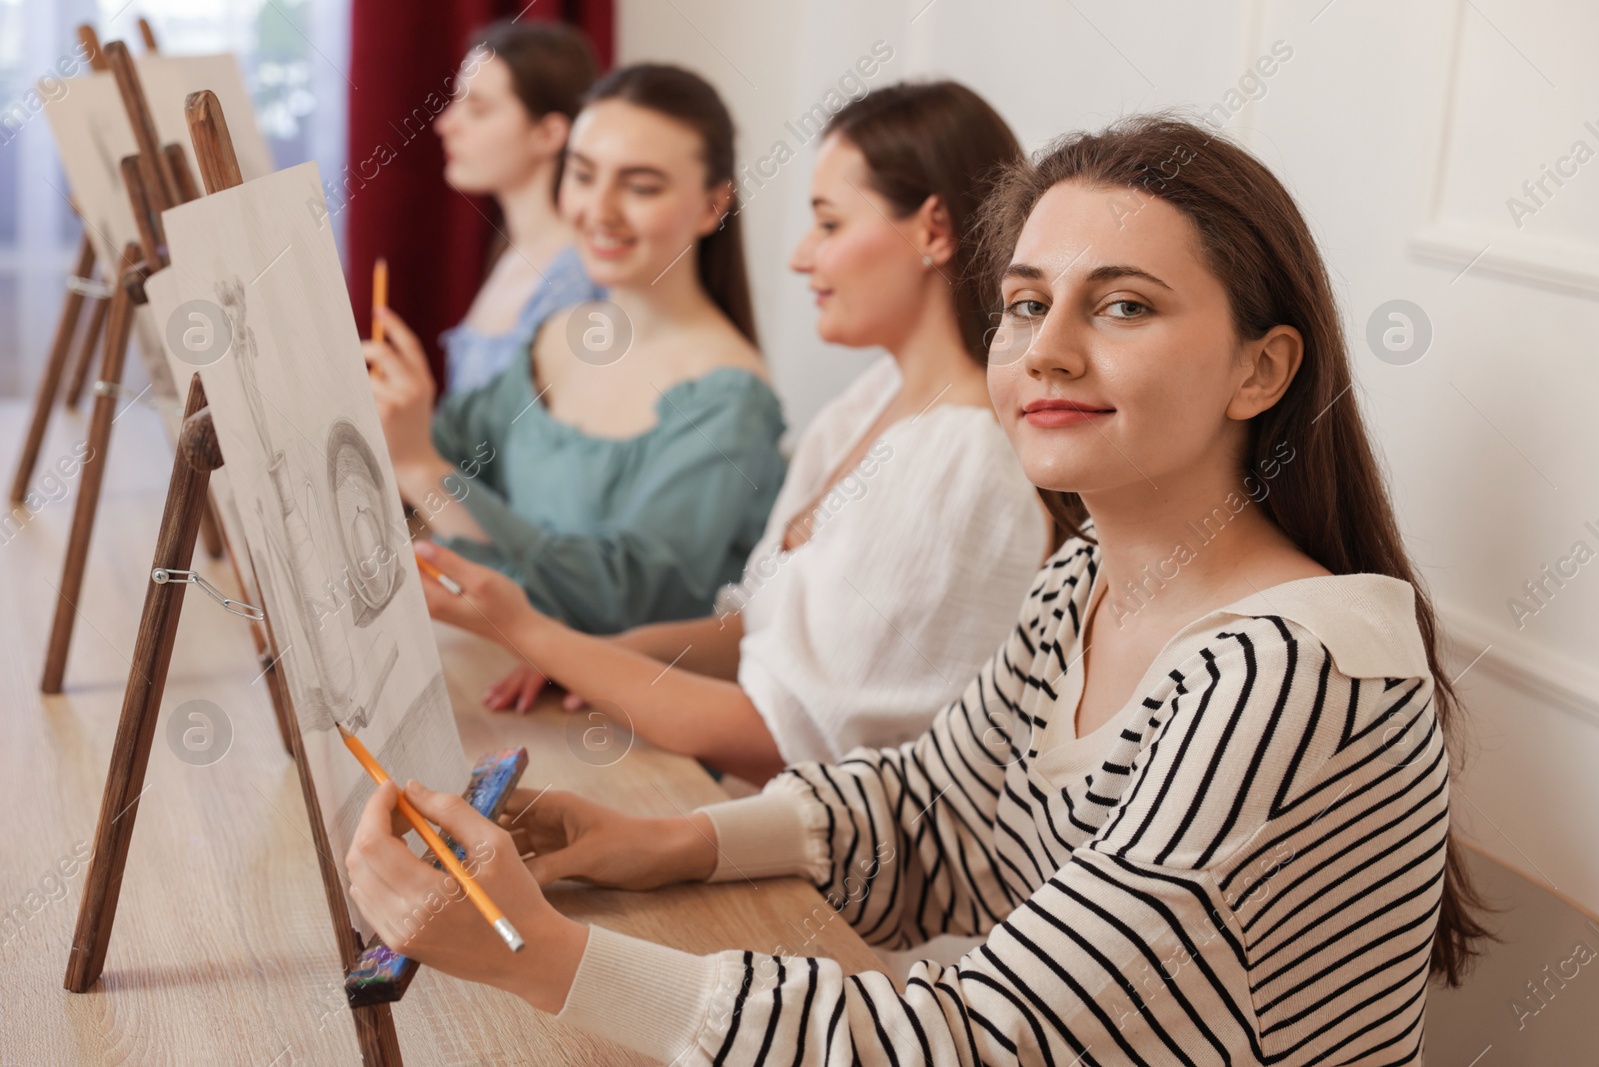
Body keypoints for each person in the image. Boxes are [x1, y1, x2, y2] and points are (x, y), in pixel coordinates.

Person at [346, 113, 1490, 1065]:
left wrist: (530, 951)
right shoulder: (1089, 575)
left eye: (1123, 304)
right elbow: (929, 808)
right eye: (1028, 303)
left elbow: (988, 1043)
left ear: (1262, 368)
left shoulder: (1285, 674)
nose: (1044, 348)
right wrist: (654, 838)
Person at [462, 81, 1053, 786]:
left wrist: (536, 632)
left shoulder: (965, 460)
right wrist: (599, 657)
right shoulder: (867, 403)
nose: (802, 256)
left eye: (829, 225)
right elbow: (756, 628)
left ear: (933, 230)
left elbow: (787, 739)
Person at [366, 64, 787, 634]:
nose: (600, 210)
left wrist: (418, 466)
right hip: (500, 670)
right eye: (583, 175)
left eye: (641, 187)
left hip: (607, 716)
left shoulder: (729, 396)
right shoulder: (556, 335)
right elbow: (447, 455)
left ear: (714, 206)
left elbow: (625, 603)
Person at [433, 19, 606, 395]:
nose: (446, 124)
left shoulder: (574, 280)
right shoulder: (514, 252)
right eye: (455, 102)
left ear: (548, 134)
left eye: (476, 109)